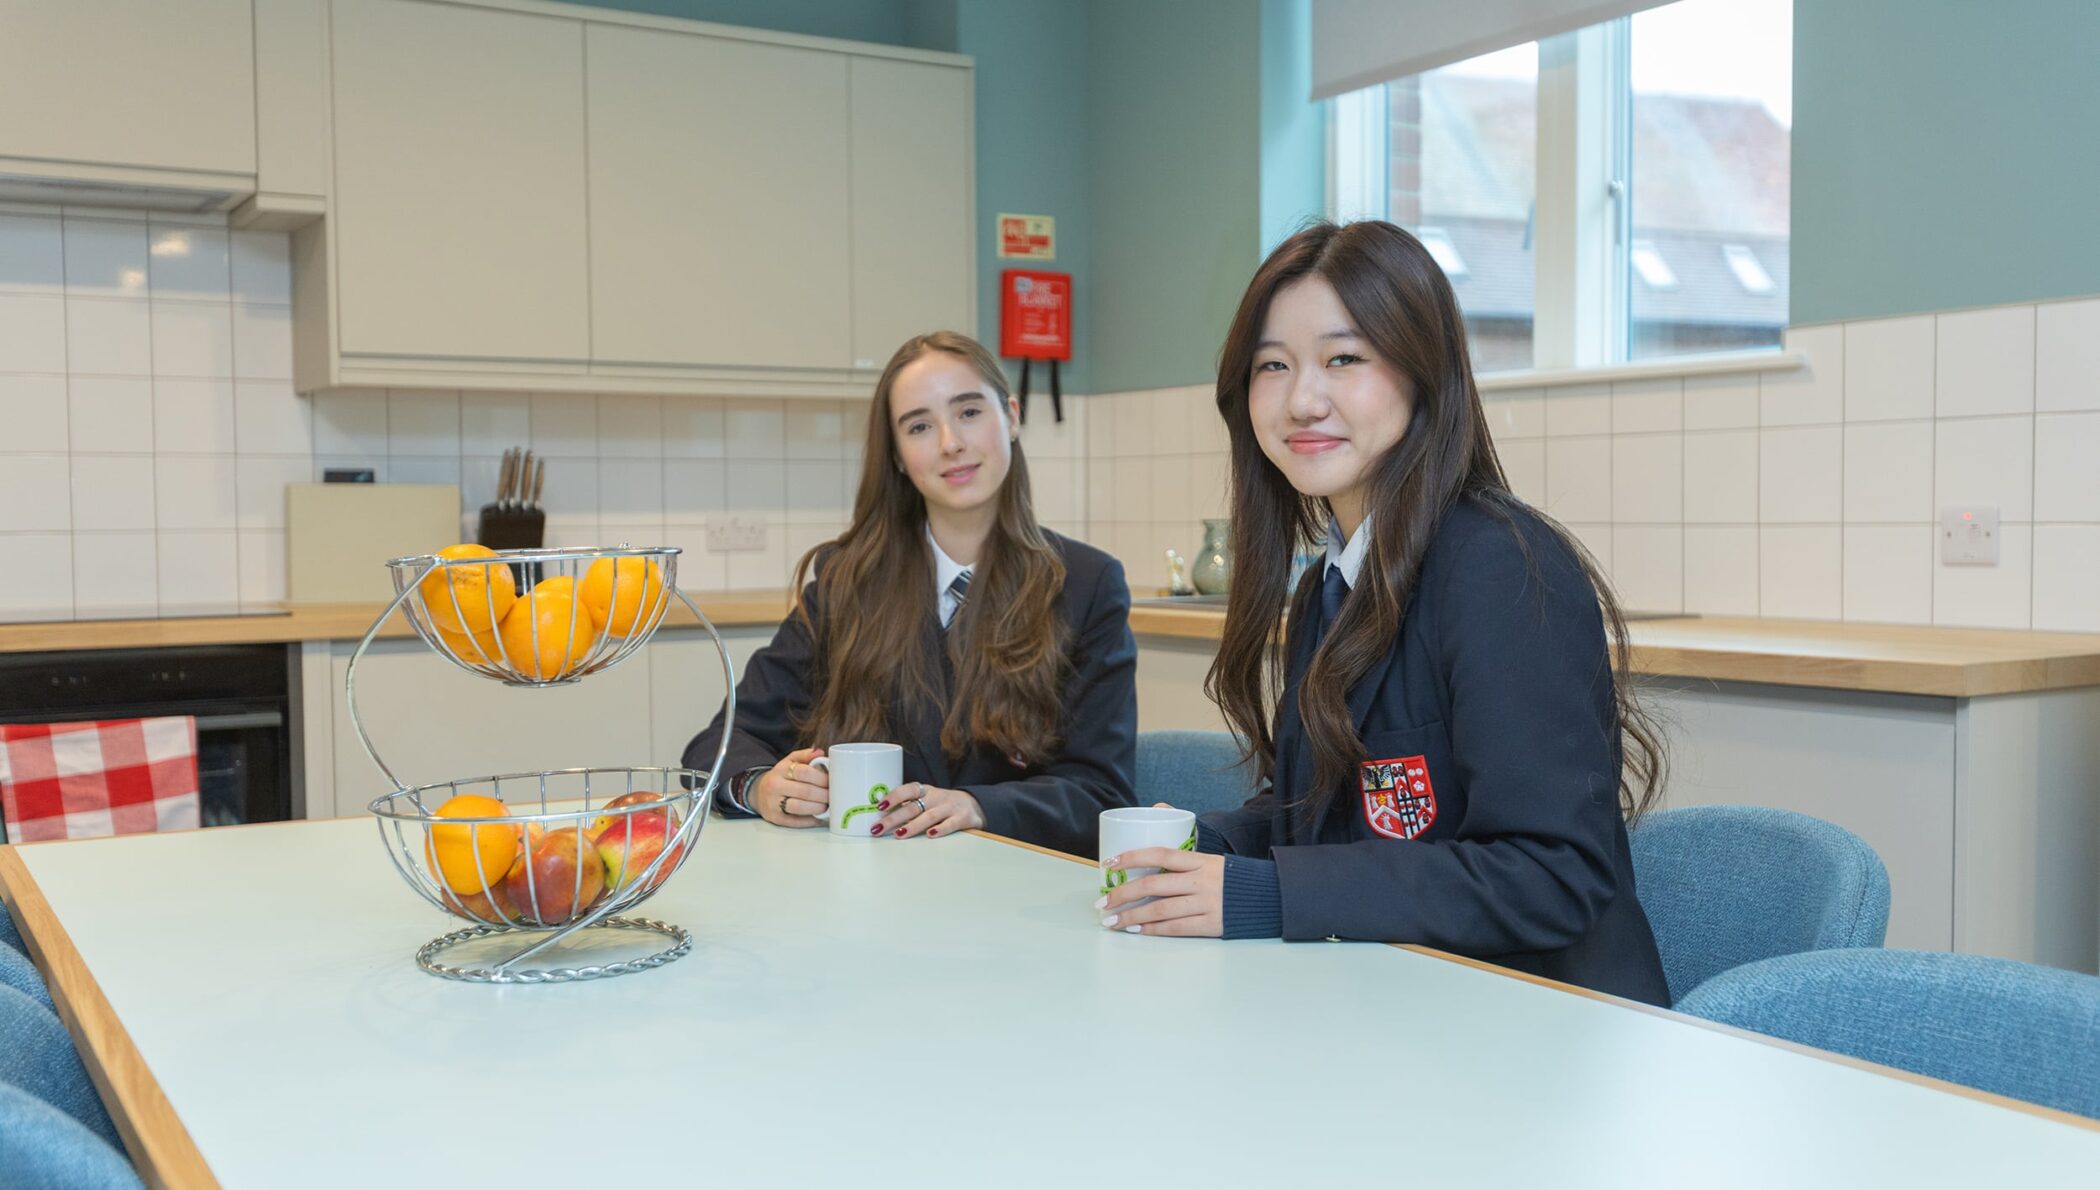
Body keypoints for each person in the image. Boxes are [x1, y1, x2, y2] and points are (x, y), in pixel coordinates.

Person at [1097, 221, 1671, 1005]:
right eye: (1273, 365)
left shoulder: (1500, 567)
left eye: (1344, 358)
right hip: (1390, 1008)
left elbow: (1550, 875)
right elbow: (1336, 824)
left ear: (1422, 372)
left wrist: (1265, 896)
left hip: (1540, 1038)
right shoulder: (1326, 589)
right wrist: (1207, 843)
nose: (1303, 399)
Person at [684, 331, 1138, 856]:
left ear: (1011, 417)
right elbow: (714, 747)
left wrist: (978, 805)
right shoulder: (846, 581)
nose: (950, 442)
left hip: (1005, 896)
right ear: (898, 456)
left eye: (969, 412)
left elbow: (1101, 795)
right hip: (858, 891)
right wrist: (760, 786)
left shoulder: (1087, 584)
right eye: (919, 426)